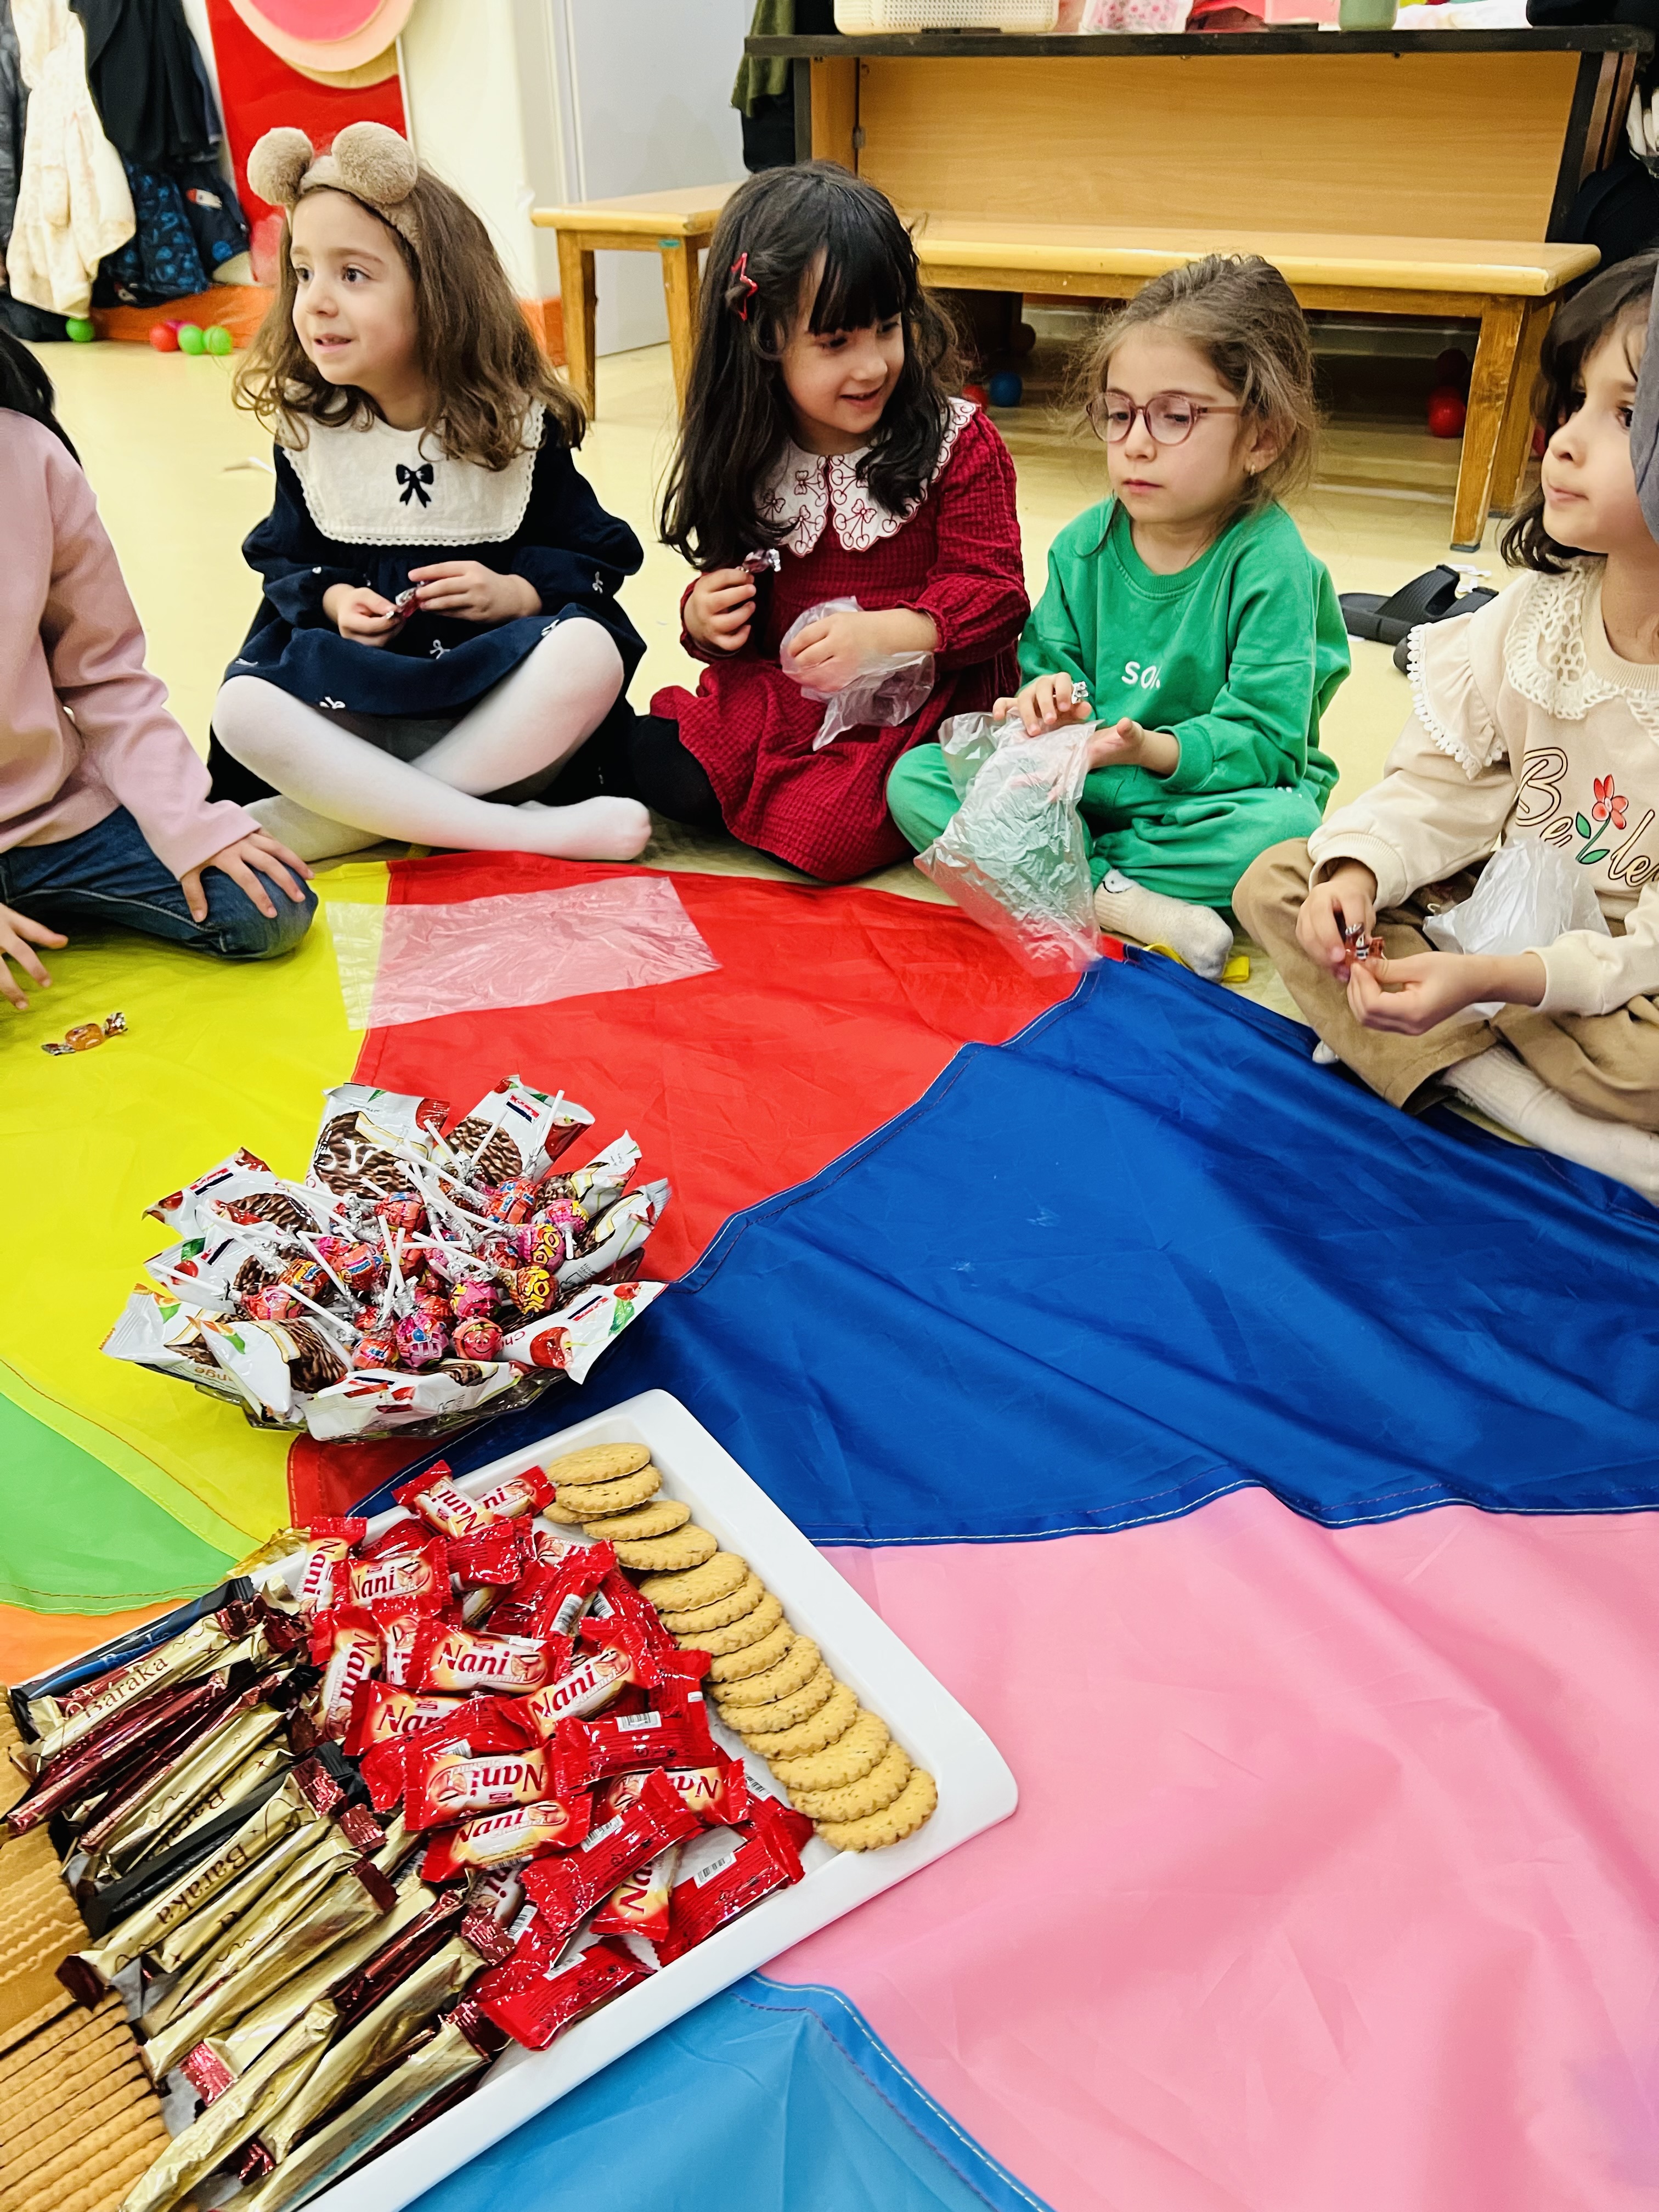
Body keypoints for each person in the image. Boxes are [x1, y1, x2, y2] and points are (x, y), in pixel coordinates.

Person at [1235, 252, 1659, 1204]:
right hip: (1482, 914)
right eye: (1576, 400)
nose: (1562, 442)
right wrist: (1356, 875)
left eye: (1627, 415)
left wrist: (1493, 979)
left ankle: (1431, 1045)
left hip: (1619, 979)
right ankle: (1539, 1114)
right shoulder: (1533, 615)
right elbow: (1441, 788)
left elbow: (1645, 948)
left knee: (1644, 1073)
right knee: (1283, 884)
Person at [888, 254, 1350, 981]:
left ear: (1262, 438)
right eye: (1120, 412)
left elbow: (1266, 743)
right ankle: (1119, 899)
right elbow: (1049, 670)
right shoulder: (1083, 545)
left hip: (1199, 800)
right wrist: (1046, 701)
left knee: (1286, 832)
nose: (1136, 442)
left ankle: (1064, 877)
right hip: (1082, 787)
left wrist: (1150, 750)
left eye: (1176, 416)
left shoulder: (1273, 566)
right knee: (916, 778)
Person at [208, 121, 650, 865]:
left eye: (353, 275)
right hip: (361, 708)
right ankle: (506, 829)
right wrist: (336, 601)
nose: (316, 302)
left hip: (493, 718)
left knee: (591, 653)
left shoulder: (517, 425)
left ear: (438, 291)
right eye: (304, 273)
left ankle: (354, 819)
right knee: (241, 709)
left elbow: (597, 558)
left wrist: (515, 593)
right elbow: (285, 561)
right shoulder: (312, 430)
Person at [632, 161, 1028, 884]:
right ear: (763, 341)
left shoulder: (960, 444)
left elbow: (996, 596)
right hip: (792, 699)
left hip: (917, 710)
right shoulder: (755, 448)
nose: (873, 365)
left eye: (888, 328)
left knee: (829, 831)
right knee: (659, 757)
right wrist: (704, 616)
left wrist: (886, 636)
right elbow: (740, 614)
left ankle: (787, 805)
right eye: (837, 341)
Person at [0, 328, 313, 1014]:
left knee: (269, 906)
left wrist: (188, 823)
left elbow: (106, 676)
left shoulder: (29, 454)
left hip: (51, 824)